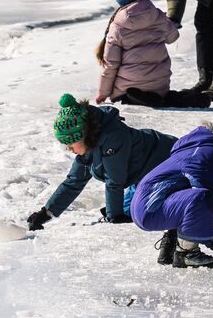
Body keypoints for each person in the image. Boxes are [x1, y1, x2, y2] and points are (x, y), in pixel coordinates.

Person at [130, 102, 213, 268]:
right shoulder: (209, 149)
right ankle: (186, 253)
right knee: (201, 196)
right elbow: (203, 182)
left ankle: (171, 245)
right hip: (151, 206)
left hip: (152, 205)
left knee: (196, 196)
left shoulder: (208, 147)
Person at [25, 93, 176, 235]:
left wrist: (115, 217)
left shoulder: (113, 137)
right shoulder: (90, 144)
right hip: (141, 175)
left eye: (70, 142)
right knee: (127, 209)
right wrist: (45, 213)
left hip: (167, 161)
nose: (68, 148)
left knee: (143, 213)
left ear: (82, 135)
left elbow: (114, 180)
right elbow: (74, 181)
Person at [95, 0, 209, 109]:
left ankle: (139, 99)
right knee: (165, 97)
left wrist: (103, 93)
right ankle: (183, 98)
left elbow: (110, 64)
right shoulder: (156, 15)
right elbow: (173, 37)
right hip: (159, 84)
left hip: (128, 87)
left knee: (127, 94)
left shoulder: (118, 25)